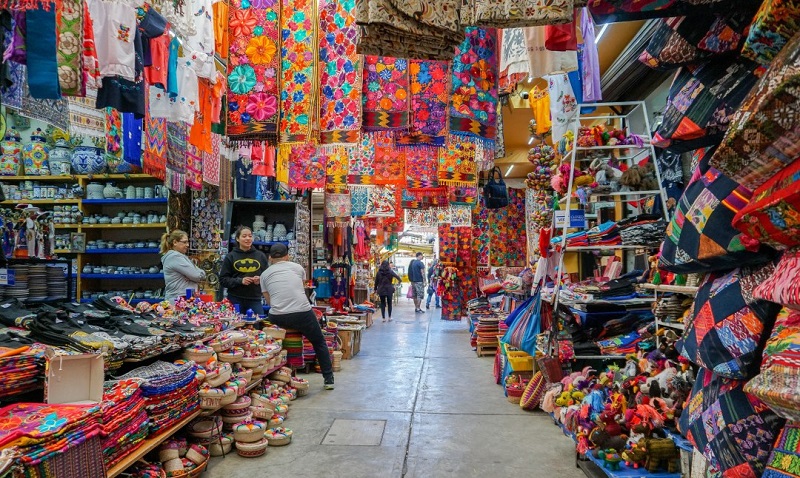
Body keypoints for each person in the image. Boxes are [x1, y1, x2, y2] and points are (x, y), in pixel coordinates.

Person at [261, 243, 334, 390]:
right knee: (319, 342)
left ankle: (274, 379)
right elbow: (299, 289)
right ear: (287, 256)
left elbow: (269, 301)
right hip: (302, 314)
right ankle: (328, 379)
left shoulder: (264, 275)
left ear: (270, 258)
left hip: (278, 316)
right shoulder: (298, 268)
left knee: (272, 344)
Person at [219, 226, 268, 315]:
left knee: (257, 325)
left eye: (250, 236)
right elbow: (222, 279)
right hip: (235, 298)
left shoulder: (260, 256)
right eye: (244, 236)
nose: (248, 238)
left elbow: (268, 277)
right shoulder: (231, 256)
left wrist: (260, 280)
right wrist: (240, 281)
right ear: (237, 238)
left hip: (254, 299)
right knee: (235, 326)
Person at [160, 229, 206, 303]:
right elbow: (197, 275)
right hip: (178, 300)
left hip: (182, 299)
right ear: (175, 242)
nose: (187, 245)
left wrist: (195, 274)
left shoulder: (181, 257)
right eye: (184, 242)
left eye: (187, 242)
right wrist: (197, 274)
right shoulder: (175, 257)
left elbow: (198, 274)